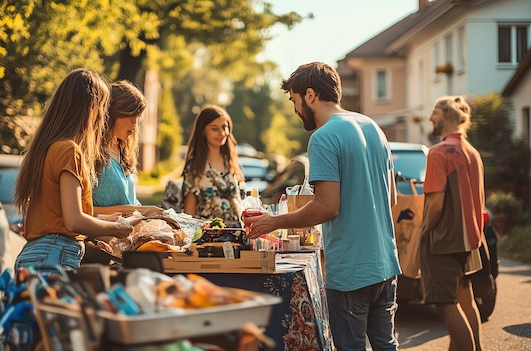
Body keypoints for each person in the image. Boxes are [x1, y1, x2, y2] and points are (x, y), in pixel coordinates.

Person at [246, 62, 401, 350]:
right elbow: (390, 197)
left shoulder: (323, 136)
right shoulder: (373, 127)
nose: (295, 109)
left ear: (310, 95)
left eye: (294, 100)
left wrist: (274, 221)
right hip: (385, 263)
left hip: (351, 270)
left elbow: (327, 206)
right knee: (386, 345)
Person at [13, 68, 138, 272]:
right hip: (53, 256)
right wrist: (117, 228)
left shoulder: (50, 146)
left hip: (40, 255)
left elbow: (60, 215)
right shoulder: (69, 150)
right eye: (102, 108)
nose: (102, 119)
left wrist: (105, 219)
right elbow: (74, 221)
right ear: (90, 109)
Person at [420, 96, 485, 351]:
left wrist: (425, 232)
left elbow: (435, 205)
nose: (430, 118)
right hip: (469, 241)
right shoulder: (473, 152)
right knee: (465, 300)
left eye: (434, 112)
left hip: (444, 242)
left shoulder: (439, 152)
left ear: (446, 115)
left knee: (446, 305)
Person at [92, 80, 162, 217]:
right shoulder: (93, 153)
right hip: (104, 235)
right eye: (132, 118)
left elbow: (131, 202)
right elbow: (85, 210)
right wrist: (138, 211)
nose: (135, 125)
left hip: (130, 232)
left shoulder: (123, 151)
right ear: (115, 114)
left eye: (138, 119)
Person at [181, 104, 246, 227]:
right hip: (210, 239)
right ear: (203, 130)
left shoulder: (232, 163)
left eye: (224, 127)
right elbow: (188, 216)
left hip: (238, 237)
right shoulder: (195, 166)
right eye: (214, 128)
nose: (221, 133)